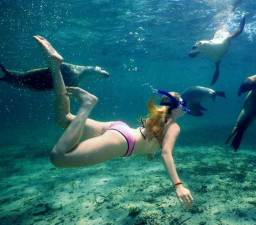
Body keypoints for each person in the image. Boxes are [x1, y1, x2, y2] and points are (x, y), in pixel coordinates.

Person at [33, 35, 193, 207]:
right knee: (58, 158)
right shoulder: (174, 126)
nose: (184, 110)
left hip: (118, 129)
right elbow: (166, 153)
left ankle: (55, 67)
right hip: (122, 143)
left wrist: (149, 152)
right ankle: (87, 104)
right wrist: (178, 185)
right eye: (183, 106)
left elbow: (151, 137)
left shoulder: (157, 118)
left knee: (63, 118)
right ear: (177, 108)